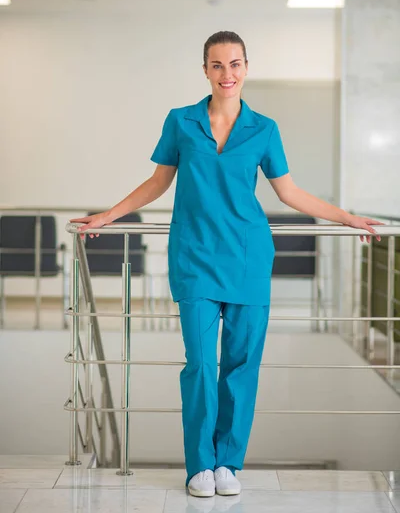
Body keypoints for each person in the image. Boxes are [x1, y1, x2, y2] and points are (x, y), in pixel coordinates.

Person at [70, 30, 383, 498]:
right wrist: (109, 214)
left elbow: (288, 192)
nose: (227, 74)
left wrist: (347, 217)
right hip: (194, 257)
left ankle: (228, 463)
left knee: (241, 365)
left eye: (235, 64)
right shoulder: (181, 121)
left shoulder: (265, 129)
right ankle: (199, 464)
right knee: (199, 363)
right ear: (205, 70)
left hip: (248, 258)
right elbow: (158, 183)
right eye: (217, 65)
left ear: (246, 68)